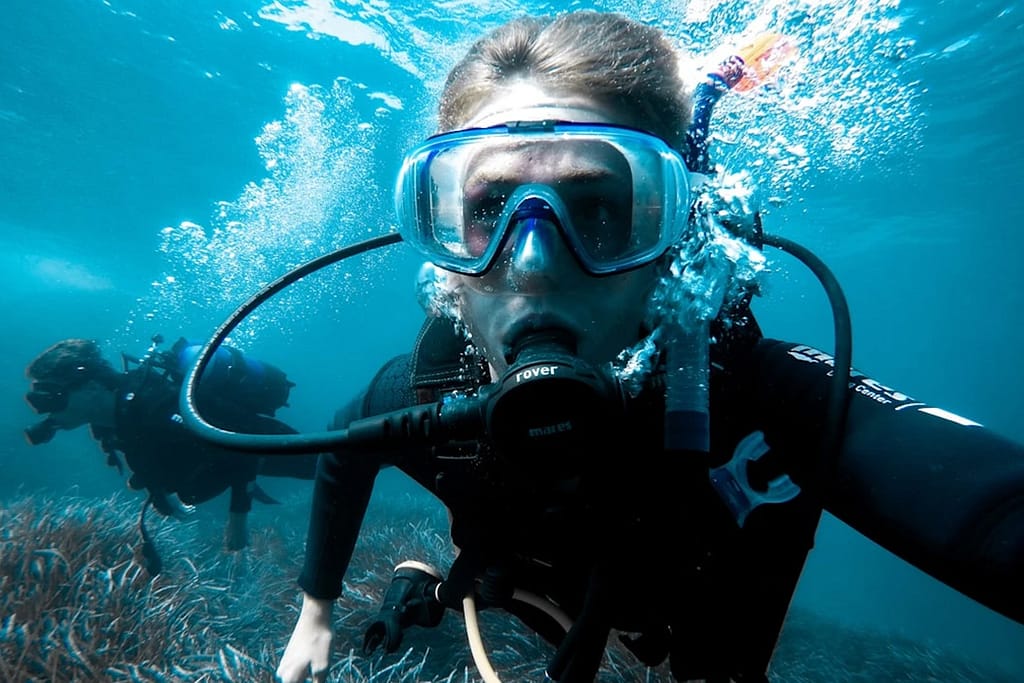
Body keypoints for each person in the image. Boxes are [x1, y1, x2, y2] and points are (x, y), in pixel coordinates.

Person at [273, 11, 1024, 683]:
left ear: (676, 236)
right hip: (520, 586)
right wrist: (317, 608)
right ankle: (434, 583)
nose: (534, 264)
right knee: (496, 588)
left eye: (599, 208)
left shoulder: (757, 394)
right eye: (491, 208)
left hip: (683, 616)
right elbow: (344, 452)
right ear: (441, 242)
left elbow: (985, 504)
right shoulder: (426, 389)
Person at [23, 336, 318, 561]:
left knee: (330, 463)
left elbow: (240, 446)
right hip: (237, 461)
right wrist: (160, 493)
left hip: (269, 445)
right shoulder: (109, 420)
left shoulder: (156, 406)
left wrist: (237, 520)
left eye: (54, 397)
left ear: (90, 387)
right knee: (338, 465)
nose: (47, 412)